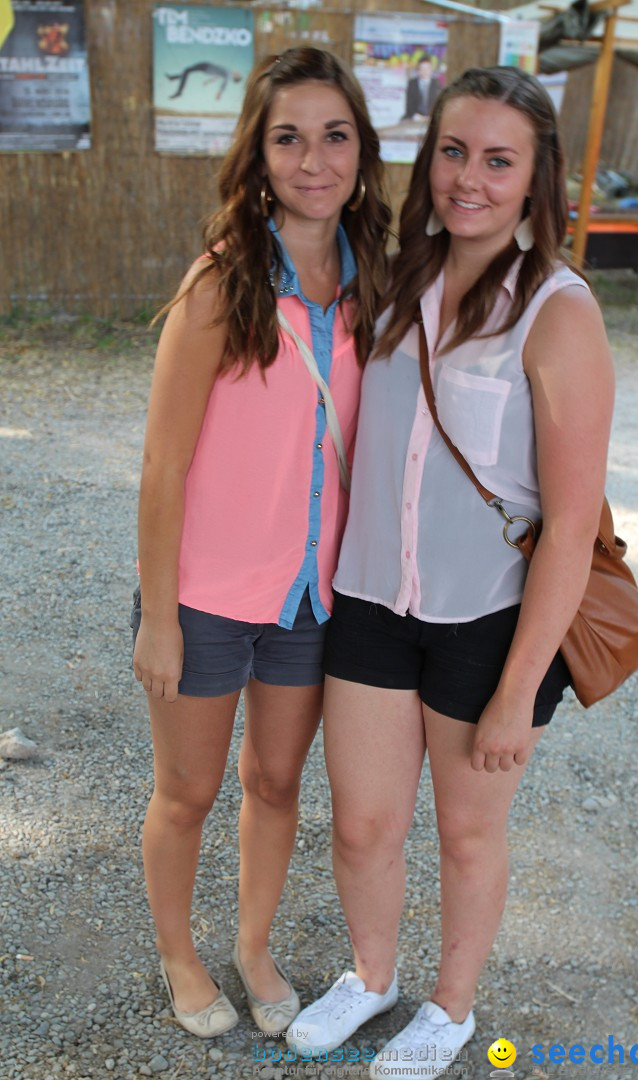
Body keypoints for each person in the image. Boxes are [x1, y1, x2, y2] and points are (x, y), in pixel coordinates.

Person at [287, 66, 614, 1079]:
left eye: (498, 160)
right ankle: (372, 976)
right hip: (375, 604)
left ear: (535, 180)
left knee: (468, 838)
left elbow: (569, 527)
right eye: (453, 152)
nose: (468, 178)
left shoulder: (558, 310)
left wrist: (520, 689)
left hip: (489, 625)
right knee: (362, 824)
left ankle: (453, 1007)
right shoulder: (390, 283)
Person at [132, 47, 390, 1039]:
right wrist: (158, 618)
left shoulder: (383, 289)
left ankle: (251, 942)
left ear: (361, 151)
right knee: (188, 789)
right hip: (201, 596)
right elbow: (162, 467)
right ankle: (179, 953)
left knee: (275, 782)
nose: (313, 158)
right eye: (289, 137)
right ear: (259, 152)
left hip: (312, 600)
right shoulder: (222, 284)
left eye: (334, 136)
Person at [165, 61, 243, 101]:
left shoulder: (229, 74)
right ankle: (173, 79)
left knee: (187, 70)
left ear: (237, 77)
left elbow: (224, 83)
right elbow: (217, 77)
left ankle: (178, 91)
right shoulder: (228, 74)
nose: (238, 72)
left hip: (207, 66)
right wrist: (208, 82)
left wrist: (220, 92)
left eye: (239, 74)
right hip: (207, 68)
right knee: (187, 71)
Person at [402, 55, 442, 121]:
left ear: (431, 69)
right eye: (422, 69)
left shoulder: (437, 84)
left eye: (427, 69)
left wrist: (431, 117)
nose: (425, 71)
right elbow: (409, 106)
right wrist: (417, 117)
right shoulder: (412, 84)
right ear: (418, 70)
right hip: (415, 118)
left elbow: (439, 105)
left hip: (432, 119)